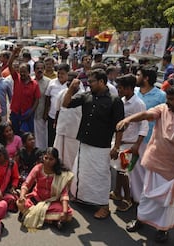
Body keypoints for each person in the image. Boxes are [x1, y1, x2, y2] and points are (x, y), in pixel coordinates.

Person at [116, 85, 174, 243]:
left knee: (168, 203)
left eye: (172, 99)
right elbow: (147, 114)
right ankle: (140, 220)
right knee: (146, 195)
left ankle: (163, 229)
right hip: (154, 162)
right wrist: (128, 119)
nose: (167, 102)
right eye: (167, 98)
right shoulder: (163, 109)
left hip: (173, 170)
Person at [63, 68, 124, 219]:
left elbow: (119, 126)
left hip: (102, 146)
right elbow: (66, 104)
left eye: (91, 81)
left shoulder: (114, 101)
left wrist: (116, 146)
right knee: (83, 174)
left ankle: (104, 206)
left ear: (102, 82)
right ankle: (83, 198)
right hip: (84, 142)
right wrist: (71, 89)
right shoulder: (86, 96)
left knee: (101, 176)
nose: (88, 84)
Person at [109, 74, 148, 212]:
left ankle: (128, 199)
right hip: (120, 140)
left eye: (121, 88)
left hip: (130, 144)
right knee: (119, 170)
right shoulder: (122, 100)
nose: (118, 90)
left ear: (129, 88)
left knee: (124, 172)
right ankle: (117, 193)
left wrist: (137, 144)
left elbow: (144, 126)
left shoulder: (138, 104)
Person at [131, 65, 166, 203]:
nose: (136, 77)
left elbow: (165, 118)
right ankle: (131, 194)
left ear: (146, 78)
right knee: (131, 167)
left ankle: (144, 197)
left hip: (150, 139)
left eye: (138, 74)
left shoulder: (161, 95)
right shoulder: (134, 91)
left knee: (146, 170)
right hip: (132, 137)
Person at [17, 147, 74, 231]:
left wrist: (64, 211)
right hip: (37, 198)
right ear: (43, 157)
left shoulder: (60, 174)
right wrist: (22, 196)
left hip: (52, 201)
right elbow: (27, 184)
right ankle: (52, 220)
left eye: (51, 159)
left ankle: (32, 215)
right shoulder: (38, 168)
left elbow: (64, 194)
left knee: (68, 214)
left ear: (56, 160)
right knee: (21, 203)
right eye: (46, 158)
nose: (47, 161)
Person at [7, 47, 41, 135]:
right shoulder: (16, 78)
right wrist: (13, 54)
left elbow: (37, 100)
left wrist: (31, 112)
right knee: (14, 135)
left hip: (27, 115)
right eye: (20, 72)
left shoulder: (34, 84)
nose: (22, 74)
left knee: (26, 137)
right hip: (15, 113)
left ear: (29, 72)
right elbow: (9, 65)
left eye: (24, 72)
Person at [44, 63, 70, 147]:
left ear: (67, 73)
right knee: (52, 137)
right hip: (52, 116)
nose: (60, 75)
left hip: (66, 118)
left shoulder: (72, 84)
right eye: (58, 73)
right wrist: (45, 113)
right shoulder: (52, 83)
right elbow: (47, 98)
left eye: (62, 73)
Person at [33, 61, 50, 149]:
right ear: (34, 70)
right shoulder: (30, 81)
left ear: (44, 69)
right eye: (37, 68)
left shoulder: (48, 82)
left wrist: (46, 113)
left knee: (43, 137)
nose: (39, 70)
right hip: (31, 114)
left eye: (41, 68)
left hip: (42, 114)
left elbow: (49, 99)